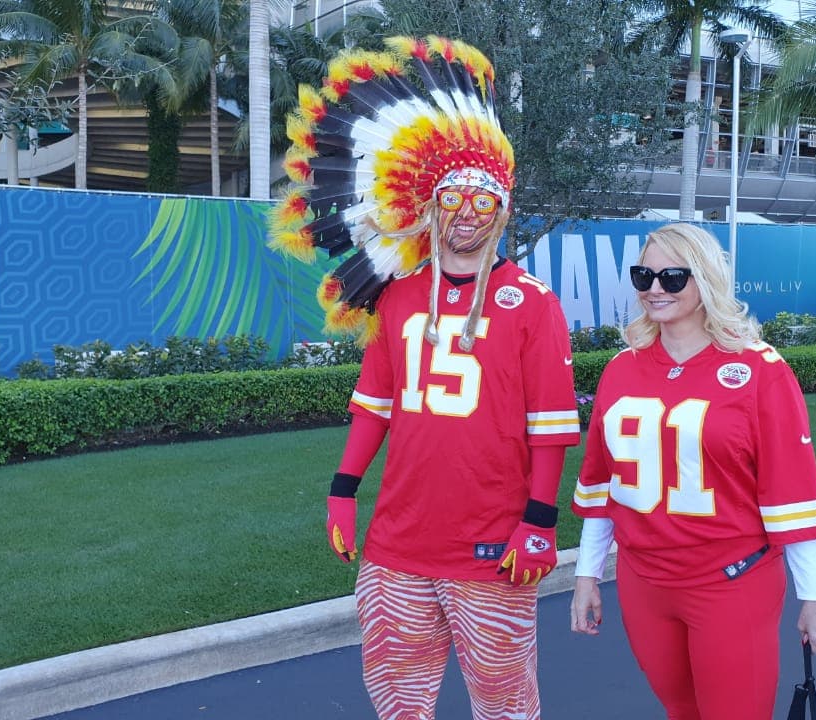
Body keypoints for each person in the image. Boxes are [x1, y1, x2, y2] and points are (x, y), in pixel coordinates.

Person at [271, 37, 579, 720]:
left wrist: (539, 520)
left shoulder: (533, 304)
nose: (468, 210)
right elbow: (375, 406)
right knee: (398, 701)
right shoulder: (400, 297)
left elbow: (550, 424)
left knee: (505, 705)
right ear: (429, 202)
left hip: (493, 552)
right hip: (396, 548)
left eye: (484, 197)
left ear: (502, 210)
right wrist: (342, 491)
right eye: (455, 194)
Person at [568, 223, 816, 720]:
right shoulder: (620, 369)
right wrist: (587, 572)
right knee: (681, 710)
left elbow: (792, 490)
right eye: (643, 275)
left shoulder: (760, 369)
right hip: (644, 583)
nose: (654, 287)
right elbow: (603, 483)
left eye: (673, 277)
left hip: (730, 582)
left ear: (706, 280)